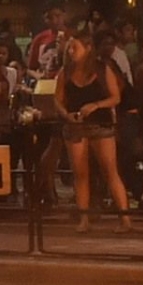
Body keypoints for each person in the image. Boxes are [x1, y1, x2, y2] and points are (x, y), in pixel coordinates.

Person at [53, 32, 134, 230]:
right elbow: (57, 99)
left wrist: (96, 105)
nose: (71, 51)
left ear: (88, 48)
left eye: (75, 47)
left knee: (110, 171)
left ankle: (125, 218)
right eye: (70, 48)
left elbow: (116, 97)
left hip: (100, 125)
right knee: (80, 174)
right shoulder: (65, 72)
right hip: (76, 126)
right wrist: (66, 115)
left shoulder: (101, 69)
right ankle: (84, 219)